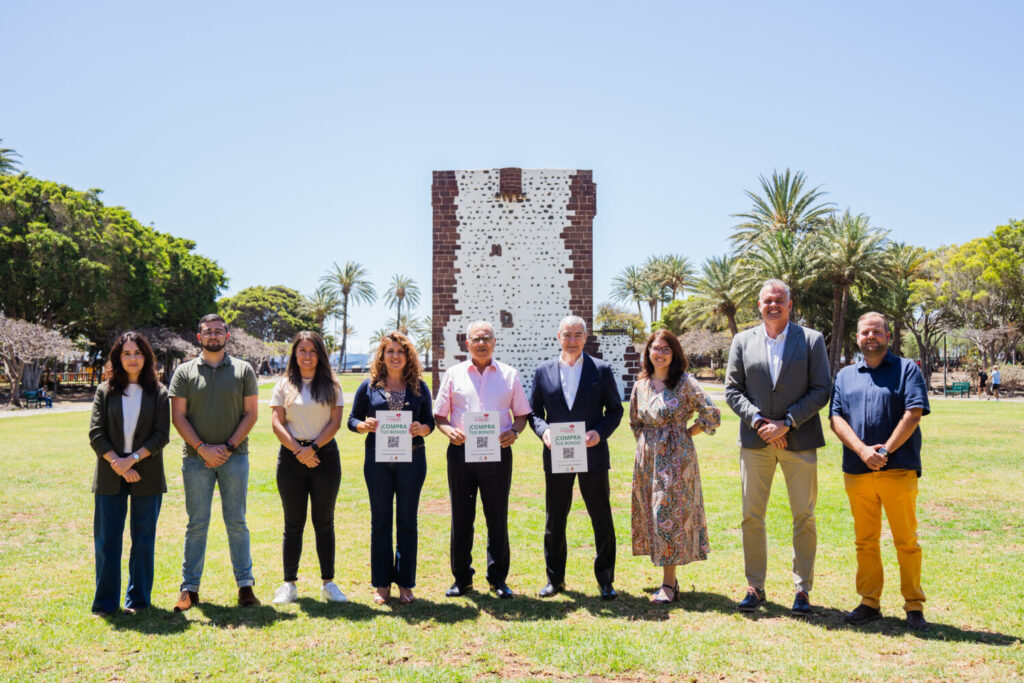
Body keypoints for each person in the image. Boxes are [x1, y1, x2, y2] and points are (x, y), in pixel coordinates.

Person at [725, 279, 831, 615]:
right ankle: (755, 586)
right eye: (767, 300)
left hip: (799, 441)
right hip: (755, 442)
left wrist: (787, 423)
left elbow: (822, 389)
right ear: (759, 305)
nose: (773, 305)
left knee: (804, 516)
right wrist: (760, 423)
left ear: (790, 304)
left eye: (779, 300)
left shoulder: (811, 340)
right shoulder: (742, 341)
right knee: (751, 516)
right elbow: (732, 390)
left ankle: (803, 589)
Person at [830, 312, 931, 631]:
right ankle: (869, 602)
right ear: (857, 338)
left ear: (888, 336)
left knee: (906, 541)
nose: (870, 336)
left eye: (876, 331)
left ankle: (914, 605)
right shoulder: (845, 376)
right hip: (857, 471)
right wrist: (862, 451)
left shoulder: (907, 370)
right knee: (865, 541)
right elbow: (835, 418)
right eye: (864, 332)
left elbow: (914, 413)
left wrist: (884, 450)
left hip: (898, 469)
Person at [434, 320, 531, 599]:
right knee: (461, 517)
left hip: (497, 453)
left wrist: (515, 431)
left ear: (494, 342)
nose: (481, 343)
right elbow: (439, 415)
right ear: (467, 344)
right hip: (461, 452)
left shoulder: (509, 375)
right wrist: (448, 430)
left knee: (497, 517)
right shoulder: (453, 374)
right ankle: (461, 579)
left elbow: (521, 414)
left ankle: (498, 579)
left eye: (486, 338)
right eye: (476, 339)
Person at [169, 314, 260, 610]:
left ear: (227, 336)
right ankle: (190, 589)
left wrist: (228, 447)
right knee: (197, 524)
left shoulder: (244, 370)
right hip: (195, 460)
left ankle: (245, 586)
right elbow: (178, 416)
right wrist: (202, 448)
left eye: (219, 331)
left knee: (237, 522)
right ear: (199, 337)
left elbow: (251, 414)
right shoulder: (184, 372)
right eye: (208, 331)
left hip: (235, 458)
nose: (213, 335)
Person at [529, 315, 623, 600]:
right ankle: (554, 580)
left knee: (601, 517)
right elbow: (534, 413)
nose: (572, 340)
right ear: (558, 336)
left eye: (577, 335)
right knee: (555, 518)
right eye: (567, 335)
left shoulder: (601, 370)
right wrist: (544, 431)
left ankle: (605, 580)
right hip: (556, 455)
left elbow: (615, 411)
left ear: (585, 337)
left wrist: (598, 433)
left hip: (592, 454)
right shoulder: (542, 371)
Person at [630, 329, 721, 603]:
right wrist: (648, 446)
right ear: (648, 352)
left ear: (674, 354)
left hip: (676, 458)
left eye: (666, 349)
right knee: (653, 514)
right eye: (655, 348)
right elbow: (635, 421)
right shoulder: (641, 384)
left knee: (667, 514)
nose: (659, 353)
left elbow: (712, 415)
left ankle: (668, 584)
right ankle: (669, 579)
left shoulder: (685, 383)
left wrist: (686, 433)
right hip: (647, 460)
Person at [88, 331, 170, 616]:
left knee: (144, 540)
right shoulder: (104, 390)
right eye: (126, 353)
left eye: (137, 353)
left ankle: (138, 600)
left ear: (146, 357)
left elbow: (161, 435)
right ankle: (105, 603)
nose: (132, 358)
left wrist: (132, 460)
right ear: (118, 358)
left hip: (147, 472)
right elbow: (96, 434)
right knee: (107, 540)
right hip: (110, 473)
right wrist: (119, 464)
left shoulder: (159, 392)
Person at [349, 331, 434, 604]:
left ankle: (406, 584)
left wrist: (422, 428)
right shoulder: (369, 387)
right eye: (390, 351)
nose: (395, 356)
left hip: (412, 459)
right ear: (382, 356)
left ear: (408, 356)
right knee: (381, 521)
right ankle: (382, 584)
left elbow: (430, 422)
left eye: (400, 351)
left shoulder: (419, 387)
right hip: (378, 460)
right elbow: (352, 420)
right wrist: (363, 426)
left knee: (408, 521)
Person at [269, 331, 347, 604]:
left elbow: (335, 423)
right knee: (293, 523)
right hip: (291, 458)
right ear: (294, 354)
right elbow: (277, 423)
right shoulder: (284, 384)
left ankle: (328, 583)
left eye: (313, 351)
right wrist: (298, 451)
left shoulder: (332, 384)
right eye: (302, 350)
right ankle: (289, 584)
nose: (307, 356)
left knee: (324, 522)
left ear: (320, 355)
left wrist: (312, 449)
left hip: (324, 457)